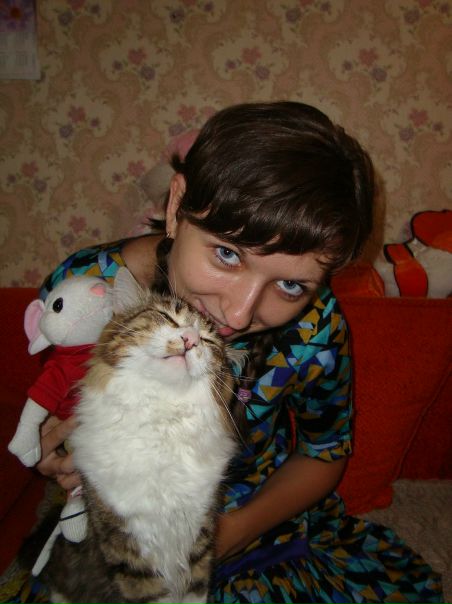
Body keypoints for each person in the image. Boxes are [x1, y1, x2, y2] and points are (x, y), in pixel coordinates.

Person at [7, 102, 443, 603]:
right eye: (227, 254)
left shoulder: (316, 325)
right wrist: (55, 452)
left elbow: (323, 453)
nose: (238, 314)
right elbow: (54, 418)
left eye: (290, 285)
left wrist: (229, 534)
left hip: (251, 525)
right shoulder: (84, 295)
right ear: (177, 205)